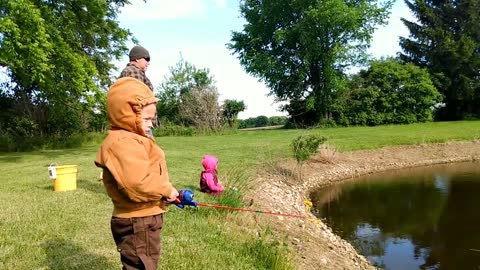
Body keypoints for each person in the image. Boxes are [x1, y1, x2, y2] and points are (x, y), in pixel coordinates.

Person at [95, 77, 178, 270]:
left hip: (144, 217)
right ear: (126, 114)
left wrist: (161, 197)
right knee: (141, 265)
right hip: (138, 221)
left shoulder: (134, 139)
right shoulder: (122, 143)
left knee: (146, 263)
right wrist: (166, 190)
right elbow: (137, 183)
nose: (151, 124)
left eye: (152, 119)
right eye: (147, 119)